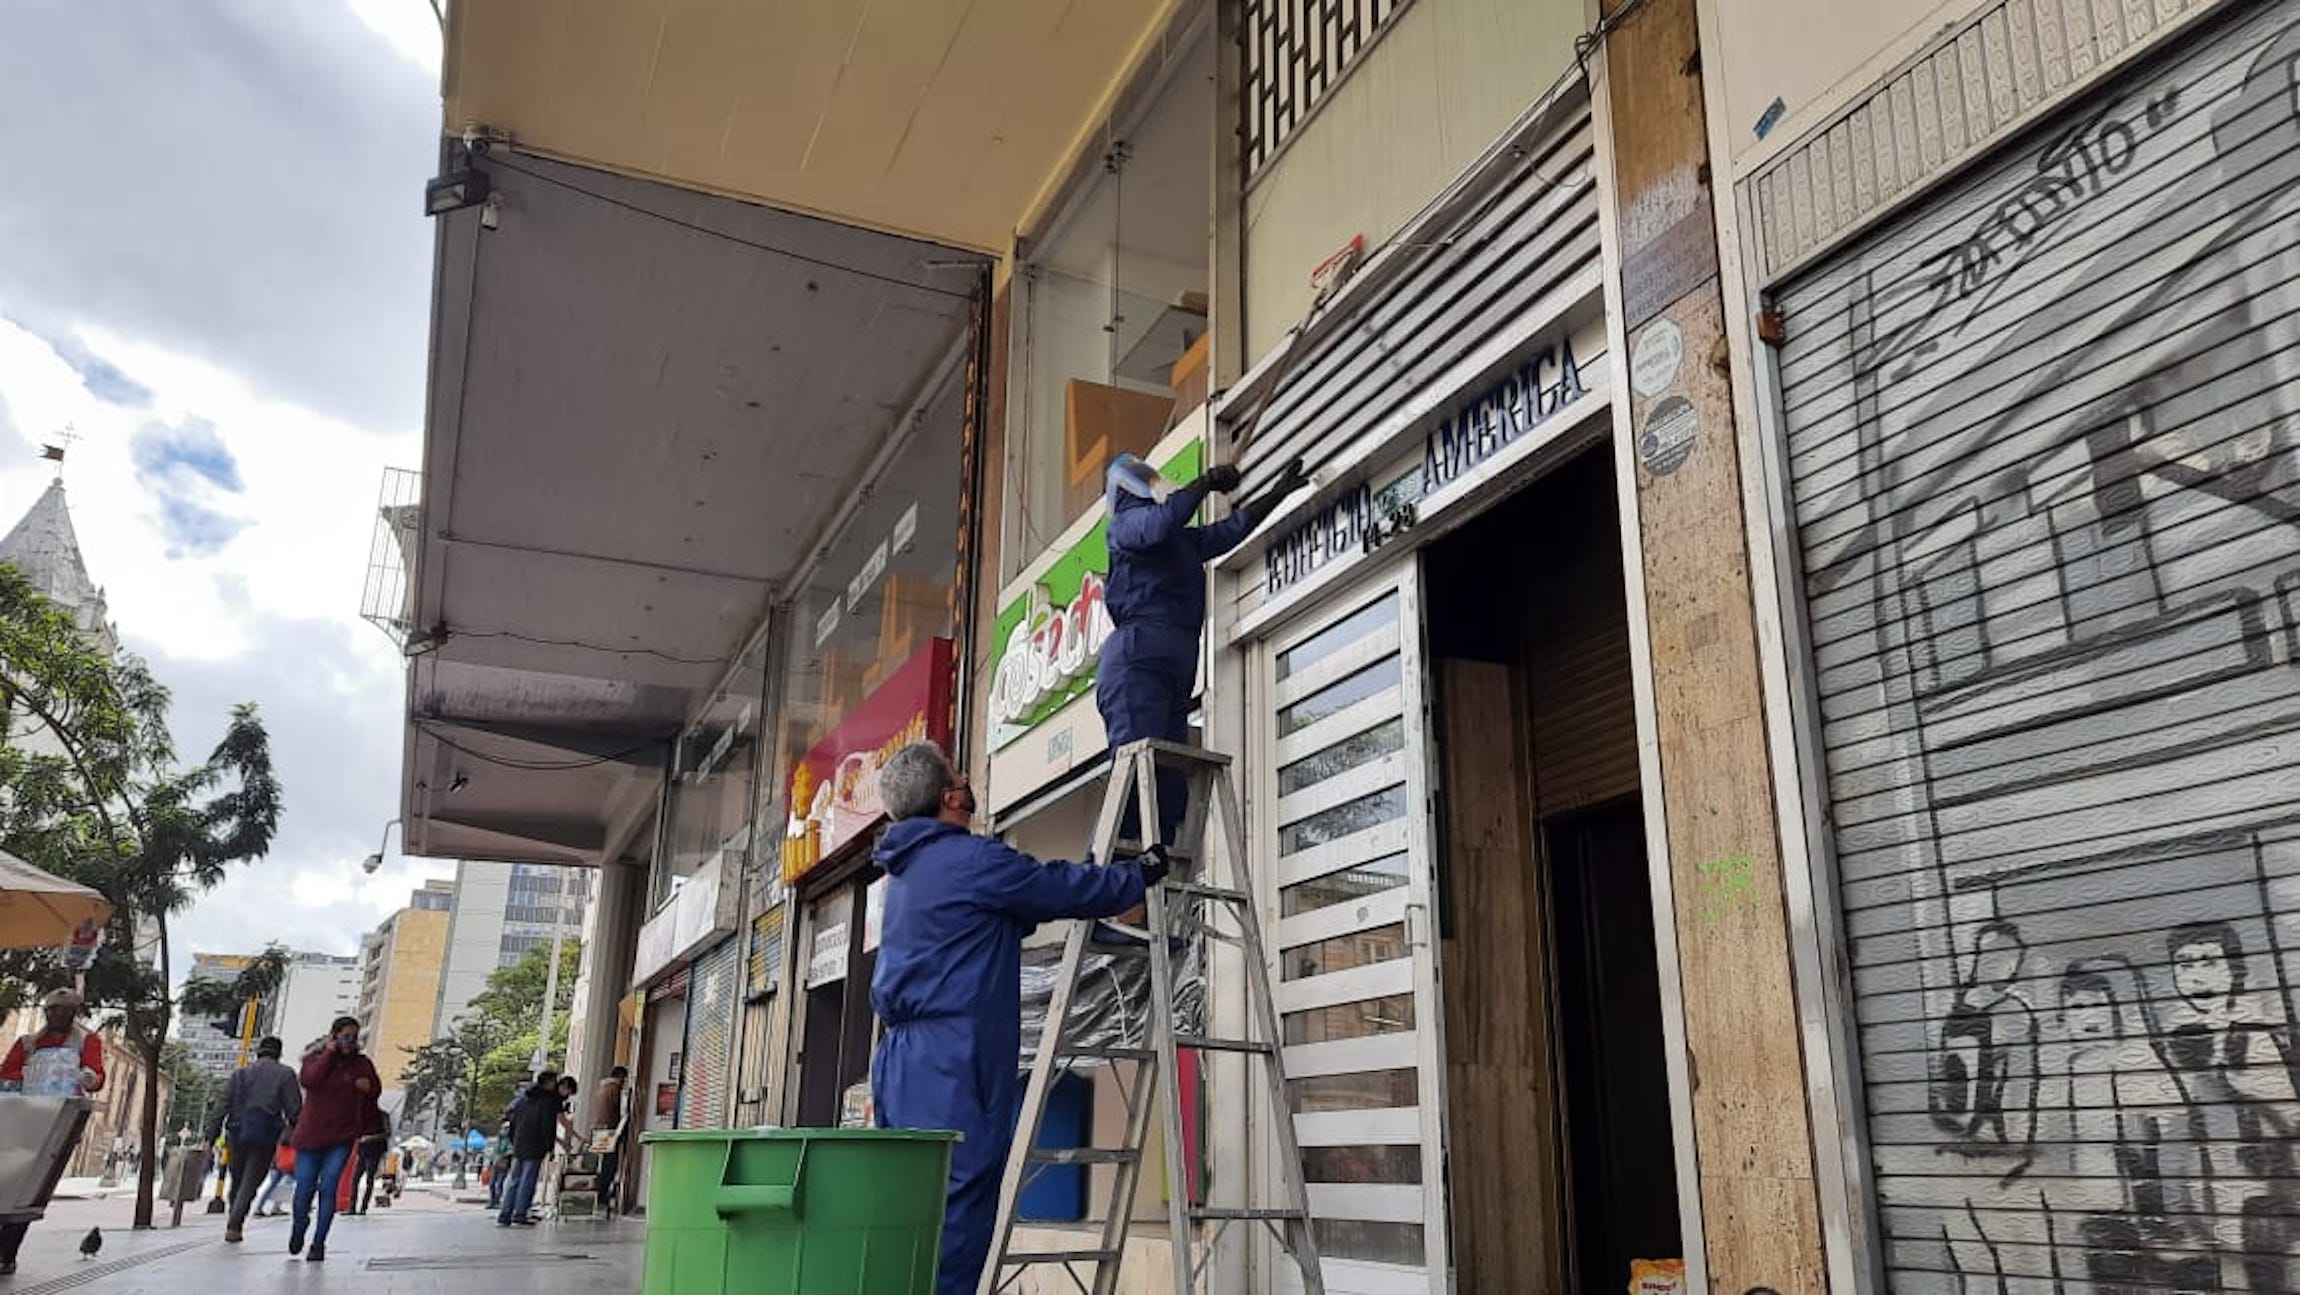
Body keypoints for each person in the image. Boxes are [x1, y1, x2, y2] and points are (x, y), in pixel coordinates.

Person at [867, 740, 1162, 1295]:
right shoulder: (969, 860)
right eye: (958, 776)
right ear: (950, 796)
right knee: (957, 1213)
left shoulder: (908, 873)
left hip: (907, 1062)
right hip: (951, 1061)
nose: (965, 783)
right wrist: (1136, 875)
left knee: (916, 1210)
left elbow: (995, 919)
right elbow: (1053, 887)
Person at [1097, 452, 1305, 852]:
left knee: (1169, 793)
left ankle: (1149, 892)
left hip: (1172, 666)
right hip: (1137, 663)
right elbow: (1158, 525)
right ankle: (1097, 880)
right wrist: (1205, 482)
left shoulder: (1178, 540)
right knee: (1133, 789)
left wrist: (1275, 495)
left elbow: (1228, 532)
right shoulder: (1125, 526)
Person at [0, 988, 106, 1276]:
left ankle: (8, 1251)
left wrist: (90, 1077)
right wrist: (21, 1079)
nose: (58, 1016)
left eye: (65, 1011)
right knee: (8, 1185)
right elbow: (7, 1074)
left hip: (60, 1124)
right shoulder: (29, 1043)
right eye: (53, 1010)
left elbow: (96, 1074)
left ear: (73, 1014)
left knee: (32, 1191)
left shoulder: (87, 1041)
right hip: (23, 1121)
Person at [290, 1016, 381, 1263]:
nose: (350, 1042)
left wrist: (368, 1088)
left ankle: (319, 1243)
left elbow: (376, 1089)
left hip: (342, 1136)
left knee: (329, 1186)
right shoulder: (315, 1059)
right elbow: (309, 1080)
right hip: (310, 1136)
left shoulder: (362, 1064)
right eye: (345, 1036)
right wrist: (329, 1054)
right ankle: (299, 1226)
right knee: (303, 1191)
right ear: (334, 1036)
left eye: (354, 1037)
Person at [201, 1035, 301, 1243]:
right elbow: (294, 1111)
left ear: (258, 1052)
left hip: (237, 1132)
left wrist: (210, 1138)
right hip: (266, 1134)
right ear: (279, 1054)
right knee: (251, 1180)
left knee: (237, 1179)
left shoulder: (240, 1074)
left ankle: (234, 1217)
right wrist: (295, 1136)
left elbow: (222, 1106)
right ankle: (235, 1223)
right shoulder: (286, 1075)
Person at [498, 1071, 563, 1227]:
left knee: (515, 1180)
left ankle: (505, 1214)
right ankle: (520, 1213)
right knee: (528, 1180)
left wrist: (514, 1141)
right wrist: (549, 1146)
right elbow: (547, 1126)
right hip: (535, 1145)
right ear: (548, 1083)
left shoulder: (523, 1099)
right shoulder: (547, 1102)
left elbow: (512, 1121)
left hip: (520, 1143)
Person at [592, 1065, 628, 1210]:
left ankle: (596, 1194)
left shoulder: (601, 1089)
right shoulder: (615, 1089)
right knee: (609, 1165)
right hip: (611, 1130)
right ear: (620, 1076)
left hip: (599, 1128)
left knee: (600, 1163)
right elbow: (620, 1110)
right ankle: (602, 1195)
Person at [348, 1103, 390, 1214]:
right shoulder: (363, 1116)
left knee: (369, 1180)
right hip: (363, 1151)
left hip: (374, 1151)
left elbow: (387, 1133)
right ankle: (352, 1207)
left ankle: (363, 1207)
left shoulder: (383, 1115)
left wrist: (369, 1138)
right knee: (354, 1179)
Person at [255, 1143, 295, 1216]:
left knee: (273, 1186)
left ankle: (262, 1207)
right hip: (285, 1162)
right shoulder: (286, 1134)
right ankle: (273, 1207)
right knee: (301, 1183)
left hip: (278, 1162)